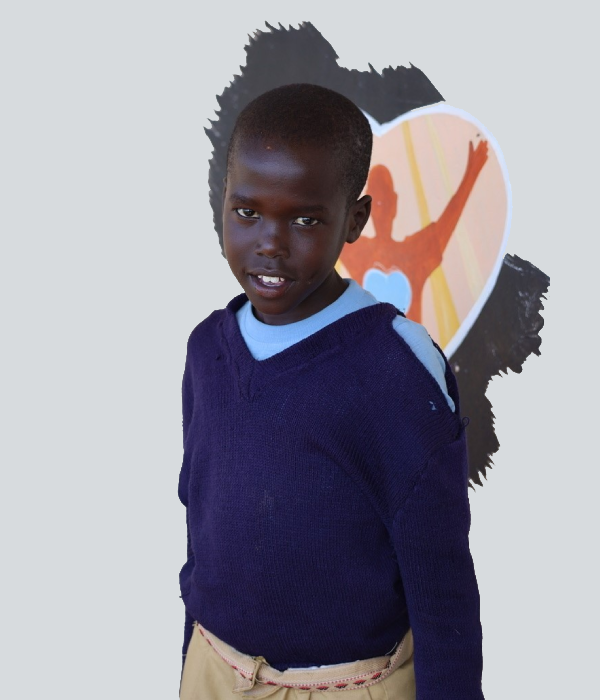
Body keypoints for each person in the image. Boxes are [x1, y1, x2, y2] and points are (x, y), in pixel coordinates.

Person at [177, 83, 484, 699]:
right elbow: (202, 526)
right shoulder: (207, 349)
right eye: (247, 212)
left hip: (349, 684)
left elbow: (442, 582)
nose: (270, 241)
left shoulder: (395, 368)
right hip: (213, 667)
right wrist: (192, 658)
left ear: (355, 220)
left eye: (306, 219)